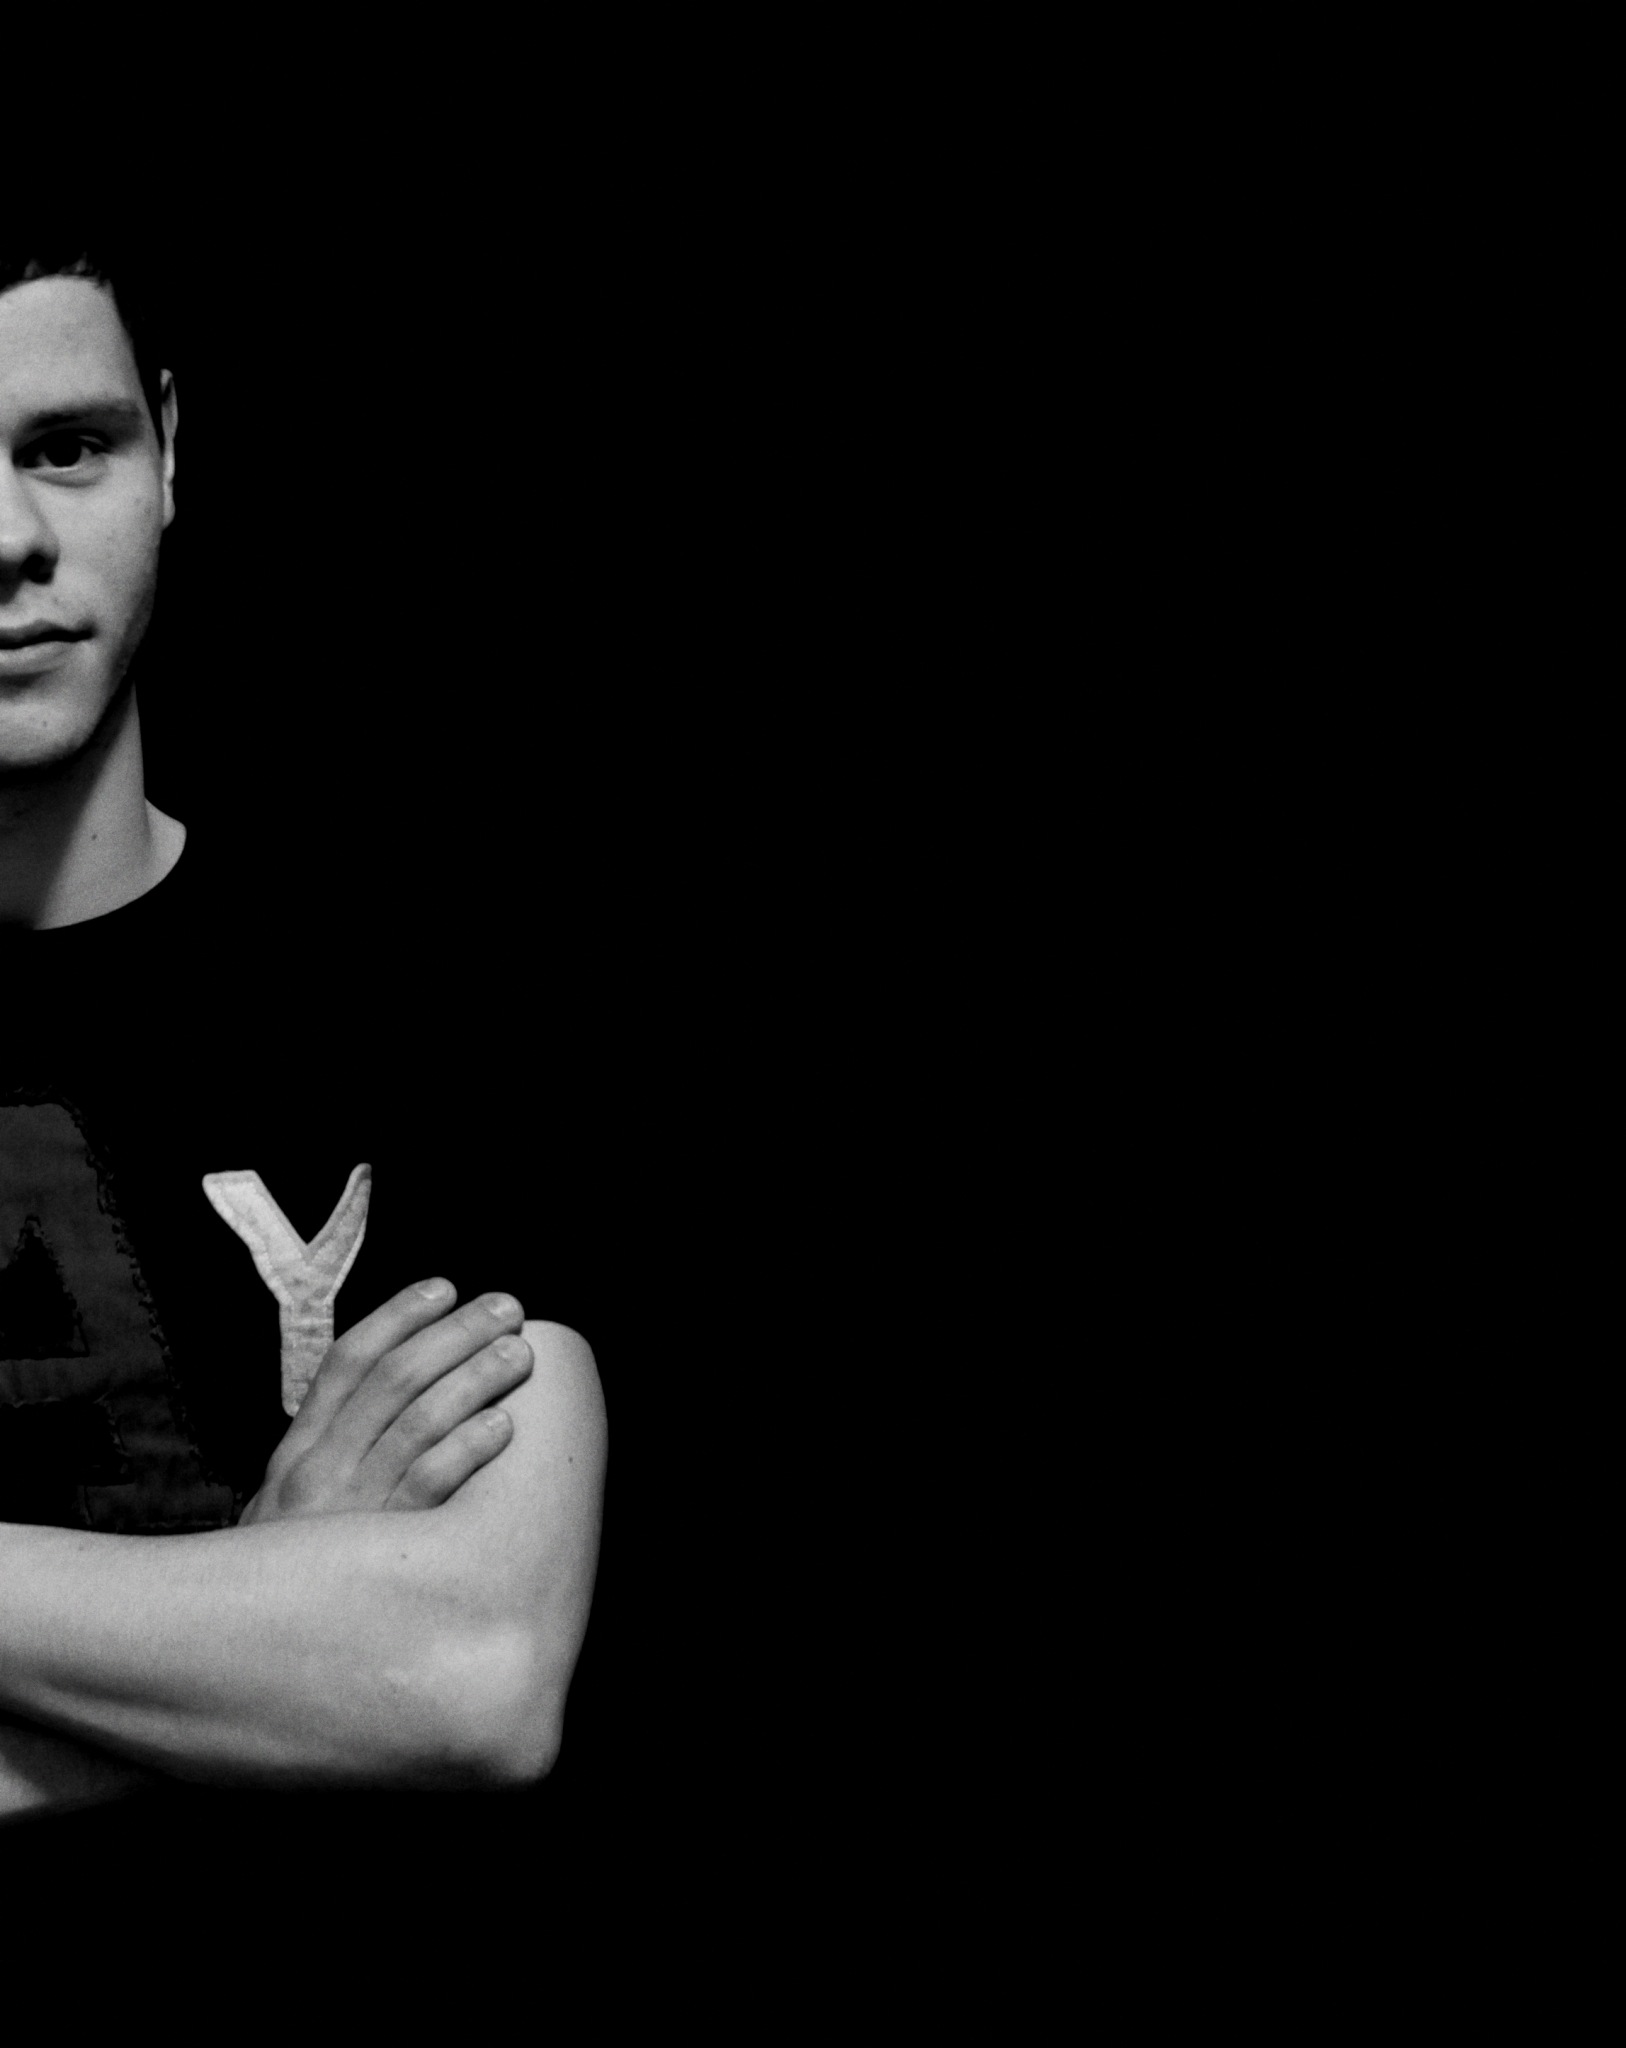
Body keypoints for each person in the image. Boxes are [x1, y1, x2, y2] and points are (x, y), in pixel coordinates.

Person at [0, 243, 610, 1856]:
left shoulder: (427, 998)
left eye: (67, 446)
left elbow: (472, 1675)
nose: (6, 537)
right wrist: (267, 1601)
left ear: (169, 450)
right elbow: (382, 1678)